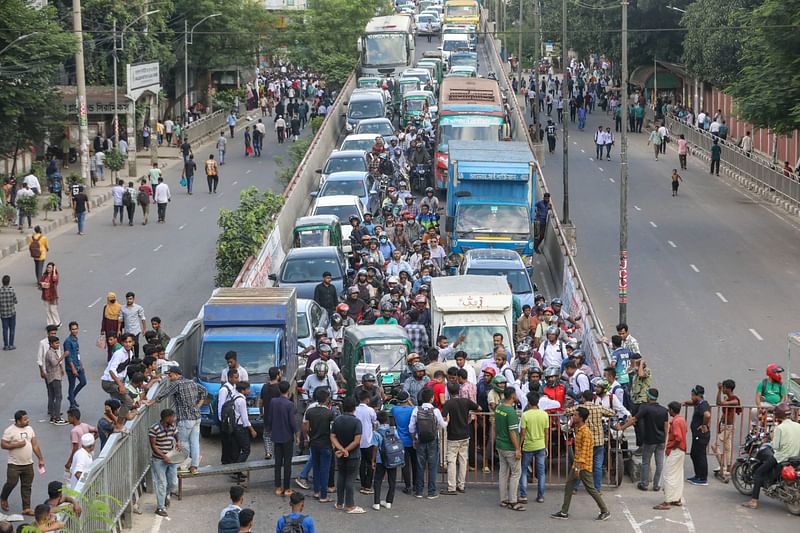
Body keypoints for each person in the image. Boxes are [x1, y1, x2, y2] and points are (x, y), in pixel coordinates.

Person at [551, 407, 610, 521]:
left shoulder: (586, 432)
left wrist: (578, 468)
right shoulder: (578, 429)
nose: (573, 417)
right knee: (569, 486)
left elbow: (583, 452)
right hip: (578, 464)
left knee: (591, 489)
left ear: (581, 418)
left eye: (575, 415)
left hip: (583, 466)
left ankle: (605, 510)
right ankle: (564, 512)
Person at [742, 402, 800, 509]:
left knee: (759, 473)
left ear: (778, 415)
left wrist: (770, 440)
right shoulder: (798, 425)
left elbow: (776, 447)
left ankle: (753, 502)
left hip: (782, 457)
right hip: (796, 457)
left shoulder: (780, 428)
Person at [154, 366, 206, 475]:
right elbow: (204, 391)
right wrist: (198, 406)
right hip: (196, 417)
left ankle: (184, 463)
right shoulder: (191, 382)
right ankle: (194, 466)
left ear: (178, 375)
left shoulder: (177, 384)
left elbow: (164, 394)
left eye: (171, 375)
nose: (169, 377)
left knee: (183, 443)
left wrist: (152, 401)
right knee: (195, 442)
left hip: (185, 419)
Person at [620, 388, 668, 490]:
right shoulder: (664, 410)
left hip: (649, 440)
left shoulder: (645, 409)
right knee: (659, 463)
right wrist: (665, 439)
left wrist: (622, 427)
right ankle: (656, 485)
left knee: (646, 462)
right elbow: (666, 426)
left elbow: (633, 419)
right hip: (661, 441)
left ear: (648, 396)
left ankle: (644, 484)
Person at [1, 410, 45, 516]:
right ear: (18, 421)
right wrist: (16, 445)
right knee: (11, 482)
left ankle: (26, 508)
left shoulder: (30, 429)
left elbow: (35, 445)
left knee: (27, 486)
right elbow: (3, 444)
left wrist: (40, 459)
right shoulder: (10, 431)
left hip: (28, 463)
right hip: (14, 464)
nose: (27, 420)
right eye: (25, 419)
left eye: (27, 418)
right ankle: (3, 497)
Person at [441, 381, 479, 495]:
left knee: (451, 461)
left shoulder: (448, 404)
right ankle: (461, 485)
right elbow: (479, 407)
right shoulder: (466, 401)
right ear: (459, 390)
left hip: (453, 436)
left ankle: (451, 487)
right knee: (463, 460)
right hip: (465, 435)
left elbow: (443, 416)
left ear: (448, 390)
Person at [409, 387, 447, 499]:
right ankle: (431, 491)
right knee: (432, 466)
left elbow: (411, 427)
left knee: (420, 466)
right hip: (432, 440)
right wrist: (447, 421)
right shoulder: (436, 411)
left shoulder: (416, 410)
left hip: (420, 439)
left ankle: (419, 491)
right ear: (432, 399)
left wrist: (414, 439)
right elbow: (442, 425)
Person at [330, 397, 365, 514]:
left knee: (341, 477)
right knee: (350, 479)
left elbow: (332, 436)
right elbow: (357, 440)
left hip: (339, 454)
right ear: (354, 408)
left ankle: (339, 502)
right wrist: (346, 450)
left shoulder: (337, 420)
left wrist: (340, 449)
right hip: (353, 455)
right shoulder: (356, 422)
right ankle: (350, 505)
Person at [654, 401, 688, 510]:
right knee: (678, 475)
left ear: (672, 410)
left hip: (675, 450)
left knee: (668, 476)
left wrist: (672, 446)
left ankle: (667, 501)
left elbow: (678, 438)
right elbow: (684, 432)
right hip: (681, 450)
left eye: (669, 409)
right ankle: (676, 498)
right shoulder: (682, 419)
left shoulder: (675, 422)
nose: (668, 411)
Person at [304, 387, 335, 502]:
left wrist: (309, 438)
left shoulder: (310, 412)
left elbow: (306, 428)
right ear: (327, 399)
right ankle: (323, 495)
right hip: (326, 443)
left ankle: (316, 491)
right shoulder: (329, 413)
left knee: (316, 468)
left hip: (314, 443)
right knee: (325, 469)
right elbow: (332, 431)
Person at [495, 387, 524, 511]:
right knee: (516, 473)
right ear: (513, 396)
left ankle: (503, 499)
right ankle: (513, 501)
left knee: (503, 472)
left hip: (500, 445)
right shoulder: (510, 412)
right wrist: (517, 448)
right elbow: (512, 431)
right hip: (510, 447)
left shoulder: (499, 408)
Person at [519, 391, 549, 504]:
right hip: (540, 445)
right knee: (541, 472)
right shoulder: (544, 414)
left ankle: (523, 495)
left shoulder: (525, 415)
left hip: (528, 446)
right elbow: (546, 433)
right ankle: (540, 496)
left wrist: (519, 446)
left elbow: (522, 433)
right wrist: (546, 446)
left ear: (528, 402)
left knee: (524, 471)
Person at [149, 408, 180, 517]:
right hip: (159, 460)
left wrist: (178, 442)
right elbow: (153, 446)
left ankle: (165, 496)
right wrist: (163, 456)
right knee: (162, 483)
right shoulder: (154, 428)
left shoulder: (172, 427)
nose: (174, 419)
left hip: (171, 458)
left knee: (173, 482)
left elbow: (176, 435)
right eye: (172, 417)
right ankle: (160, 507)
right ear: (167, 418)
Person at [268, 381, 297, 496]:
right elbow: (292, 422)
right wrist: (296, 433)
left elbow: (270, 417)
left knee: (278, 462)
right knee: (287, 463)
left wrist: (270, 429)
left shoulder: (273, 402)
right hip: (287, 436)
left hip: (276, 435)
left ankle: (278, 487)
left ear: (279, 390)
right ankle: (287, 488)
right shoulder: (289, 404)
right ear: (288, 390)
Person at [371, 410, 400, 510]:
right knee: (392, 481)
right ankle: (389, 502)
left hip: (380, 459)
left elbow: (375, 447)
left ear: (378, 420)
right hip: (392, 458)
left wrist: (373, 460)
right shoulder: (393, 431)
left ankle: (376, 503)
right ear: (387, 419)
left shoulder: (376, 433)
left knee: (378, 480)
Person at [712, 379, 740, 483]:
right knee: (727, 448)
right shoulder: (728, 398)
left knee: (715, 445)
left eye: (723, 388)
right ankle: (728, 468)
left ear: (728, 388)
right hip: (725, 426)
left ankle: (723, 467)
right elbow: (719, 403)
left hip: (728, 427)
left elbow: (719, 403)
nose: (722, 389)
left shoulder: (734, 400)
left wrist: (719, 391)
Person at [683, 385, 711, 486]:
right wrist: (685, 403)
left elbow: (707, 415)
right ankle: (698, 475)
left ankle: (703, 478)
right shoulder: (699, 403)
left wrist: (703, 424)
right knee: (694, 454)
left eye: (692, 395)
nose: (691, 397)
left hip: (701, 435)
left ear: (696, 395)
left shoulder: (703, 405)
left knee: (700, 455)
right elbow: (692, 402)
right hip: (697, 435)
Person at [355, 389, 378, 495]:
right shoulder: (370, 410)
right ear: (367, 400)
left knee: (361, 463)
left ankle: (362, 484)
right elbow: (375, 422)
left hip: (357, 440)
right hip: (368, 440)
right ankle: (368, 486)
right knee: (370, 463)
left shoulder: (355, 410)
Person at [63, 322, 86, 409]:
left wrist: (81, 364)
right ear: (70, 330)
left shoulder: (75, 339)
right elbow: (68, 356)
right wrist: (73, 368)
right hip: (71, 367)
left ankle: (71, 397)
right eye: (73, 329)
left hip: (78, 365)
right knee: (71, 385)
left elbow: (77, 352)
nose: (75, 330)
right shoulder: (68, 342)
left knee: (83, 382)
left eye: (76, 329)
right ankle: (72, 404)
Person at [44, 335, 66, 425]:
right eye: (56, 343)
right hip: (54, 377)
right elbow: (54, 363)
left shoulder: (53, 352)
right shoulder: (50, 353)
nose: (58, 345)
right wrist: (63, 356)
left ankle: (53, 415)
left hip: (52, 377)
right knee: (58, 396)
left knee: (53, 396)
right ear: (51, 344)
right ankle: (57, 417)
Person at [118, 292, 146, 357]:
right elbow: (120, 319)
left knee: (135, 344)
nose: (129, 300)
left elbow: (143, 318)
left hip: (135, 330)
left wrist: (144, 329)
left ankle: (137, 357)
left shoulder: (138, 308)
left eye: (130, 299)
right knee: (128, 345)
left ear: (133, 299)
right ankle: (131, 358)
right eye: (128, 299)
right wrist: (119, 330)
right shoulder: (122, 308)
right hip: (127, 330)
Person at [39, 262, 60, 328]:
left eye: (50, 267)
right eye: (47, 267)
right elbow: (40, 282)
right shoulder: (45, 275)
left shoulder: (55, 275)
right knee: (47, 310)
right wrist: (42, 284)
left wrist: (54, 271)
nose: (48, 269)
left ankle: (57, 323)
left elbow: (54, 279)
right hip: (45, 295)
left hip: (52, 295)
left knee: (53, 309)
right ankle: (50, 324)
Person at [0, 275, 17, 350]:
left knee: (5, 329)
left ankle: (6, 345)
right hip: (12, 313)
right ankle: (11, 344)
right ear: (9, 282)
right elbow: (15, 301)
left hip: (3, 313)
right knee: (12, 329)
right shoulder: (12, 290)